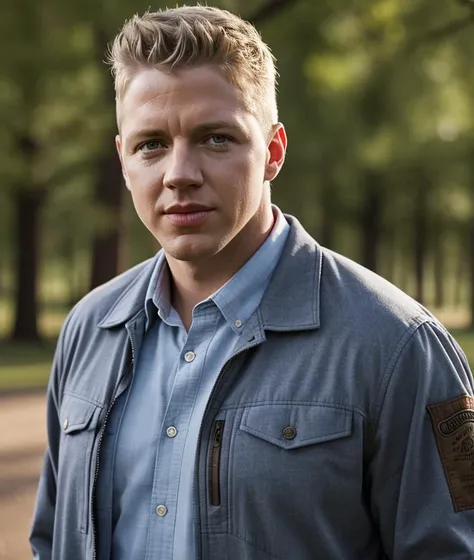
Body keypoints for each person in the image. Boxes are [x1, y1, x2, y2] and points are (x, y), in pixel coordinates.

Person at [30, 5, 474, 559]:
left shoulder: (398, 347)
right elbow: (52, 541)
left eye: (215, 138)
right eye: (151, 144)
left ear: (272, 151)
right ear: (123, 160)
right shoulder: (87, 331)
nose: (179, 174)